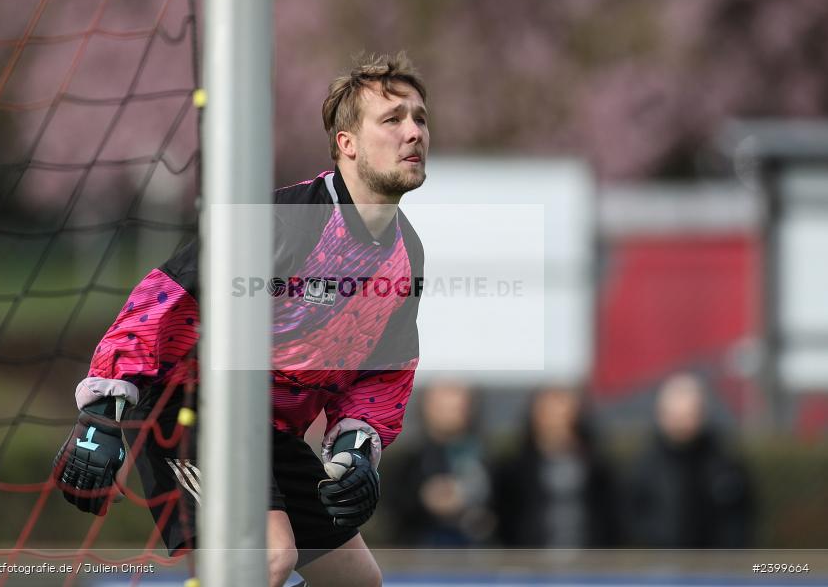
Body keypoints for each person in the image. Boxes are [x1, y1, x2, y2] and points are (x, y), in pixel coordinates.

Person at [51, 51, 429, 587]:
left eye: (419, 117)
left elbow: (386, 370)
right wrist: (104, 412)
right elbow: (162, 299)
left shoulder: (406, 254)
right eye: (392, 119)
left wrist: (356, 448)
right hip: (188, 412)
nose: (413, 132)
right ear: (347, 143)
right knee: (267, 560)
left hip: (269, 433)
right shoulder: (282, 223)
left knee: (357, 583)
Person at [626, 372, 754, 548]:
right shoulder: (646, 466)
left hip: (715, 565)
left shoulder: (723, 463)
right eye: (676, 416)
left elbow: (740, 517)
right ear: (662, 415)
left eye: (689, 415)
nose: (683, 424)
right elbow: (631, 516)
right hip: (660, 562)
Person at [491, 387, 620, 548]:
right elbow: (505, 518)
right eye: (549, 411)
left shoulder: (597, 466)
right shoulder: (515, 468)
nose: (556, 419)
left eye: (562, 410)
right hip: (532, 560)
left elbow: (612, 519)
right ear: (536, 415)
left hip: (587, 560)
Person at [384, 377, 494, 547]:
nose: (449, 409)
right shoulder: (406, 463)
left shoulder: (487, 459)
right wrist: (423, 498)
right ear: (426, 406)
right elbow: (392, 515)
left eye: (455, 400)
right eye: (441, 404)